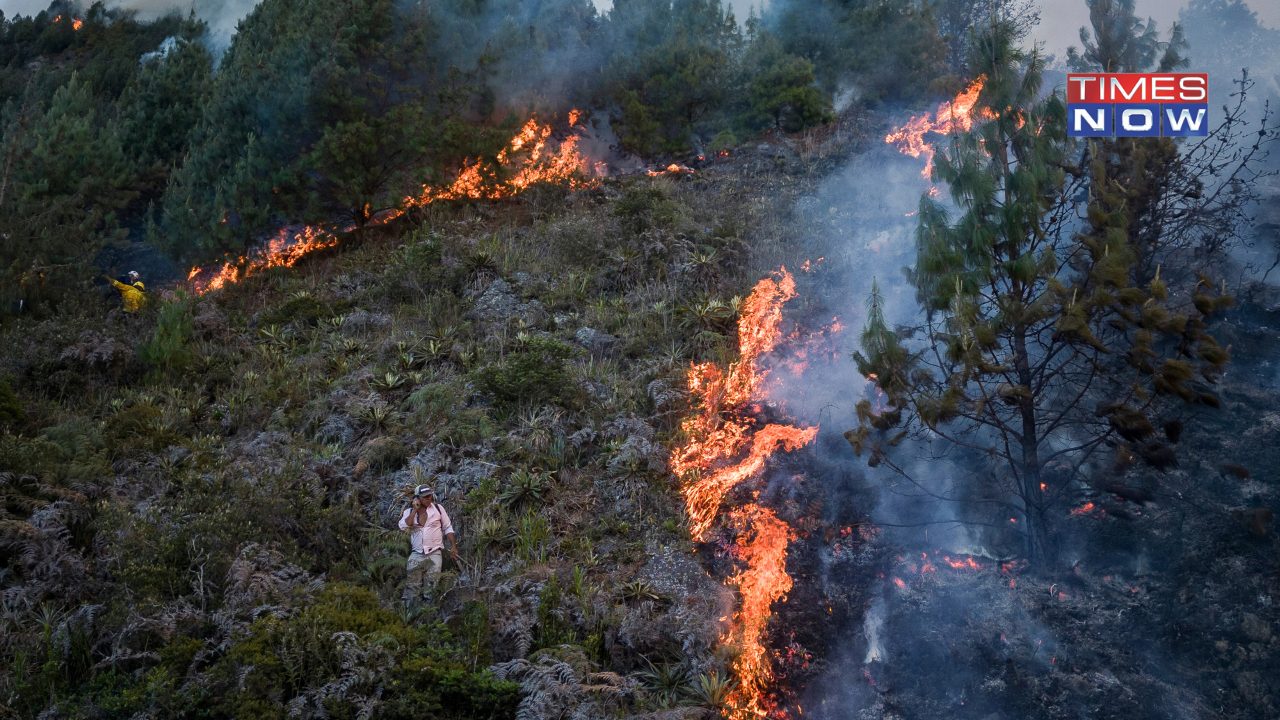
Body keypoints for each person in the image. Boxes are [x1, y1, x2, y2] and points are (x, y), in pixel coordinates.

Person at [398, 484, 458, 604]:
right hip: (417, 553)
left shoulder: (438, 509)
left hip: (434, 552)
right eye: (425, 496)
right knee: (412, 585)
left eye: (430, 495)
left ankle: (429, 611)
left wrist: (453, 546)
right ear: (417, 498)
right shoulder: (409, 512)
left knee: (432, 584)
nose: (429, 498)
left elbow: (447, 527)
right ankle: (411, 611)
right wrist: (415, 510)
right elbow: (403, 526)